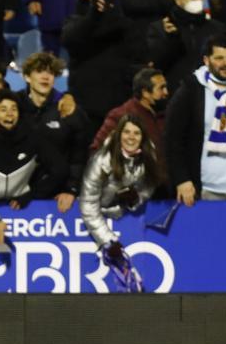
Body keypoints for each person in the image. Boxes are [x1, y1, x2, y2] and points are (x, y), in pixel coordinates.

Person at [0, 90, 66, 248]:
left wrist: (31, 195)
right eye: (3, 110)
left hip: (24, 213)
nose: (9, 114)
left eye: (14, 109)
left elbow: (60, 169)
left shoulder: (33, 139)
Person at [79, 114, 165, 291]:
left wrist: (135, 199)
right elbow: (88, 204)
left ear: (143, 137)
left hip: (123, 217)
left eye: (136, 133)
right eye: (126, 132)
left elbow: (149, 186)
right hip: (96, 218)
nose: (131, 137)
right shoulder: (102, 160)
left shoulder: (149, 155)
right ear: (119, 135)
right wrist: (107, 241)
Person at [165, 34, 226, 202]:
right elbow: (173, 138)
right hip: (206, 190)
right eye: (219, 58)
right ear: (206, 60)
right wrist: (182, 179)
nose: (225, 63)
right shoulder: (191, 90)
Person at [62, 0, 139, 123]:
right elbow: (70, 39)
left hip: (118, 105)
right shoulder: (74, 21)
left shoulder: (125, 24)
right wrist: (93, 15)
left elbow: (137, 55)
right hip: (85, 107)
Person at [16, 52, 91, 213]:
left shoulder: (69, 110)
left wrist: (71, 189)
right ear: (27, 77)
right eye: (39, 71)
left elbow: (79, 156)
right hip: (17, 192)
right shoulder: (15, 106)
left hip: (57, 194)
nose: (45, 76)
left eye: (50, 72)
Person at [147, 0, 226, 89]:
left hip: (211, 92)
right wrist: (173, 41)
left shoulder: (217, 28)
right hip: (176, 93)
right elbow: (159, 65)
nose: (199, 1)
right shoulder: (160, 29)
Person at [92, 67, 169, 151]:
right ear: (145, 93)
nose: (166, 92)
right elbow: (97, 150)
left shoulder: (166, 114)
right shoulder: (121, 115)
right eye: (161, 88)